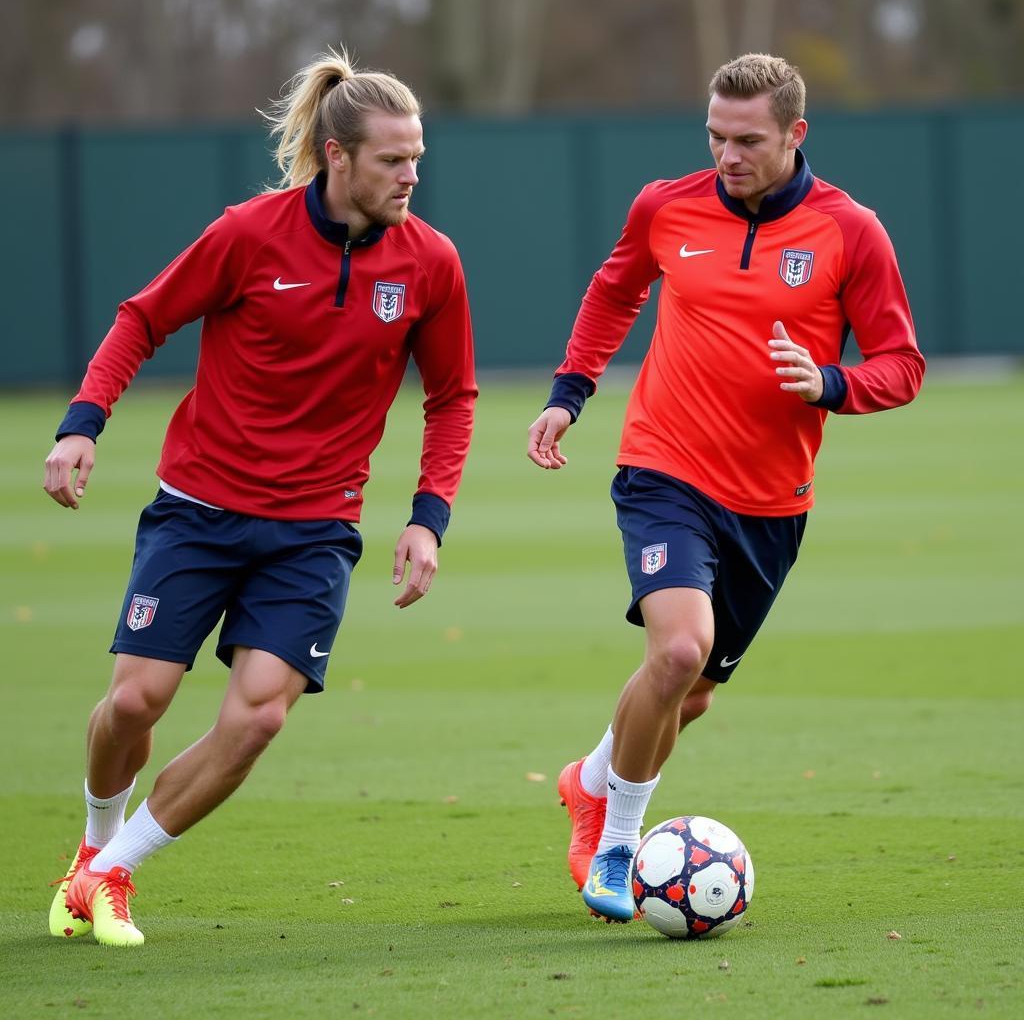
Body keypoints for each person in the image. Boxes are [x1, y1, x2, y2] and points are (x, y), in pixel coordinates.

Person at [44, 49, 477, 947]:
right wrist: (83, 423)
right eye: (394, 160)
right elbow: (142, 318)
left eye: (418, 158)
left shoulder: (431, 263)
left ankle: (114, 873)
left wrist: (428, 518)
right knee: (134, 705)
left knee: (261, 713)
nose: (411, 176)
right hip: (198, 509)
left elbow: (452, 398)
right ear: (336, 155)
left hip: (314, 531)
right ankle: (89, 852)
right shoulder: (249, 233)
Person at [527, 53, 925, 923]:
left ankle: (588, 781)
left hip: (772, 502)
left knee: (693, 690)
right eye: (714, 134)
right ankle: (618, 844)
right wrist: (571, 392)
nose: (727, 153)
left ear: (795, 134)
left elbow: (902, 367)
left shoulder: (850, 232)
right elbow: (614, 291)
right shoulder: (666, 205)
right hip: (663, 468)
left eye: (747, 139)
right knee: (676, 653)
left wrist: (829, 384)